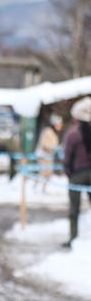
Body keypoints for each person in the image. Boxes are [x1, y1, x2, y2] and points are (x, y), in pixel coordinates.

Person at [62, 97, 91, 247]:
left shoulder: (72, 134)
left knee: (74, 207)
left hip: (78, 174)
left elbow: (67, 157)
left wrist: (69, 173)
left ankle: (73, 238)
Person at [35, 113, 63, 191]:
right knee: (43, 172)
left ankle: (43, 188)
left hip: (49, 156)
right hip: (43, 155)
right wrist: (53, 148)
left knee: (48, 173)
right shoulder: (47, 131)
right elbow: (44, 144)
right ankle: (36, 187)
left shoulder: (55, 134)